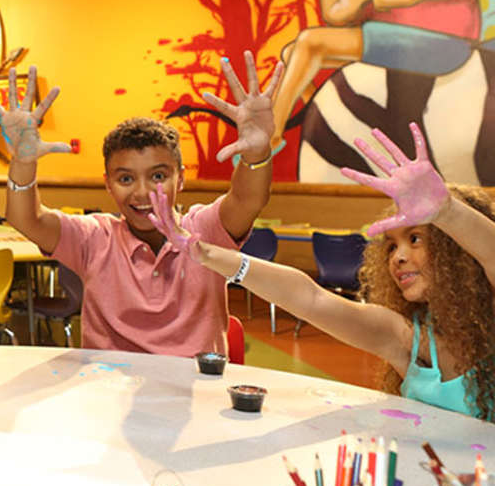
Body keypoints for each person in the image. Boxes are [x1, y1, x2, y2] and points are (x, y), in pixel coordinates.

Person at [149, 122, 495, 420]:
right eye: (391, 246)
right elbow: (309, 298)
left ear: (457, 249)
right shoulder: (407, 337)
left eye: (415, 239)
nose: (398, 257)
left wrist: (447, 212)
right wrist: (206, 253)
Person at [0, 52, 284, 357]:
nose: (142, 193)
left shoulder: (206, 230)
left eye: (158, 176)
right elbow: (27, 219)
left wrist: (257, 151)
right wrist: (22, 162)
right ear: (108, 185)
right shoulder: (94, 238)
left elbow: (249, 199)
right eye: (125, 179)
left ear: (180, 179)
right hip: (109, 387)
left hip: (192, 393)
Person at [270, 0, 480, 149]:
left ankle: (272, 136)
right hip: (394, 35)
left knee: (310, 42)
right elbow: (337, 14)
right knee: (293, 53)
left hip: (442, 38)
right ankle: (319, 116)